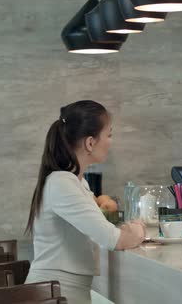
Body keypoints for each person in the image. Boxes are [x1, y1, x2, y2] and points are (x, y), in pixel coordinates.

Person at [24, 100, 146, 303]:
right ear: (90, 142)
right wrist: (138, 231)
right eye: (109, 135)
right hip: (53, 295)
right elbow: (113, 239)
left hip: (63, 293)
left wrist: (123, 232)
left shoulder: (77, 183)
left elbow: (102, 230)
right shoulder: (62, 183)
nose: (111, 141)